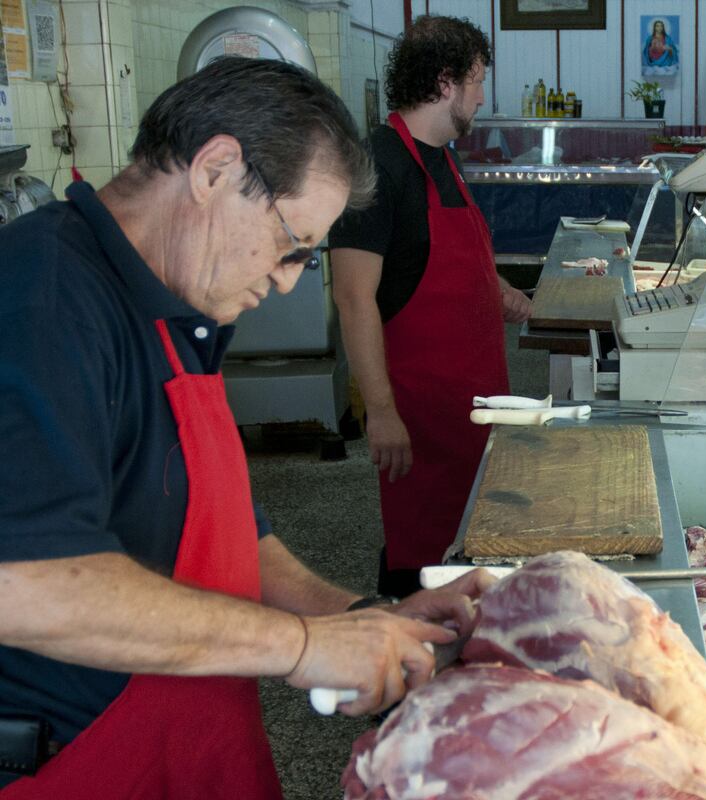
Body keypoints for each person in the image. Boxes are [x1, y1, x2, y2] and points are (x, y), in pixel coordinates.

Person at [0, 57, 494, 797]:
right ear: (215, 170)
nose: (290, 279)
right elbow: (24, 582)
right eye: (291, 243)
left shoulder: (180, 304)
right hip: (77, 767)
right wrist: (300, 646)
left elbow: (229, 534)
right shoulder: (40, 302)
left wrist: (357, 616)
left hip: (193, 743)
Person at [329, 16, 531, 600]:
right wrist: (381, 411)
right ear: (445, 82)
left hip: (473, 409)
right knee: (422, 565)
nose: (481, 96)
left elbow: (438, 258)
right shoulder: (377, 165)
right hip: (421, 417)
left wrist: (500, 291)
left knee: (469, 553)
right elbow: (353, 296)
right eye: (476, 80)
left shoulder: (443, 157)